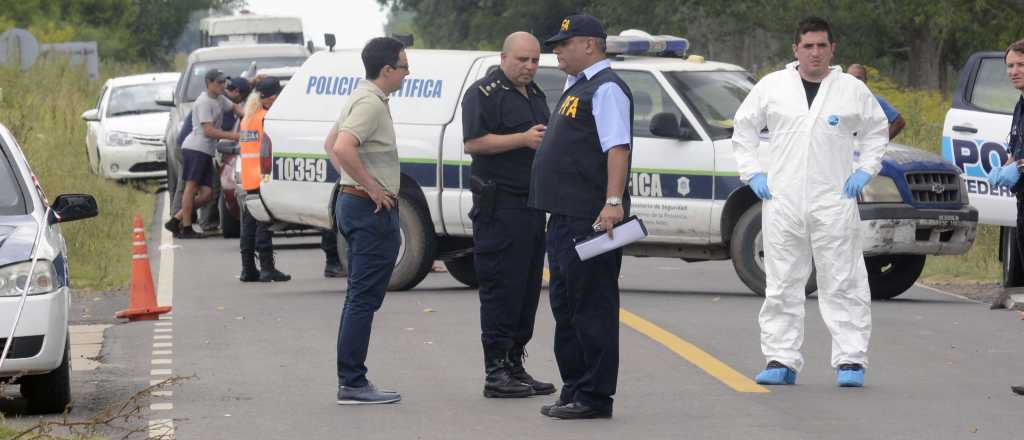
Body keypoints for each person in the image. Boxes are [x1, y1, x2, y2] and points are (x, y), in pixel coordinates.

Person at [731, 16, 889, 388]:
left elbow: (876, 131)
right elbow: (744, 128)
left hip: (833, 198)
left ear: (833, 49)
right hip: (783, 199)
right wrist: (753, 172)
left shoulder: (850, 89)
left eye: (822, 45)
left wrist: (865, 170)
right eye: (808, 46)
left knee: (844, 279)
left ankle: (851, 359)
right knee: (783, 280)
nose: (815, 52)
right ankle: (781, 358)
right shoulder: (773, 86)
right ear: (795, 49)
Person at [529, 15, 632, 419]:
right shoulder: (578, 86)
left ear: (589, 45)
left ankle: (595, 396)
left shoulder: (606, 89)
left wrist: (612, 201)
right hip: (564, 217)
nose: (556, 50)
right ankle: (574, 387)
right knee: (566, 305)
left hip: (591, 220)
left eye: (564, 43)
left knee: (593, 307)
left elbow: (617, 147)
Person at [461, 31, 554, 398]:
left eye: (534, 60)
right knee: (501, 288)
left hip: (531, 206)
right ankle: (495, 372)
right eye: (522, 60)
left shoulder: (535, 95)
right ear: (504, 58)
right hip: (499, 208)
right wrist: (521, 139)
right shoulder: (483, 94)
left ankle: (515, 363)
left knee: (527, 289)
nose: (530, 66)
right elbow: (473, 142)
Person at [323, 37, 409, 405]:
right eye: (404, 67)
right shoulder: (370, 103)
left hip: (354, 204)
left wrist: (353, 183)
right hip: (367, 210)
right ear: (387, 70)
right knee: (362, 299)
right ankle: (353, 382)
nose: (407, 74)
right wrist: (371, 187)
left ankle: (351, 379)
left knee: (357, 297)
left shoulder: (361, 97)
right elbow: (341, 148)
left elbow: (331, 145)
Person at [982, 39, 1024, 396]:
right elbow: (1017, 149)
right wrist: (1008, 165)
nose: (1014, 71)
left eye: (1021, 65)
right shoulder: (1020, 105)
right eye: (1010, 66)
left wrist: (1020, 167)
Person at [165, 69, 241, 238]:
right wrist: (235, 136)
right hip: (195, 149)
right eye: (219, 83)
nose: (223, 86)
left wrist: (249, 117)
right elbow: (208, 131)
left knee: (207, 195)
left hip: (206, 151)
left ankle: (176, 219)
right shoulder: (204, 102)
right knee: (190, 188)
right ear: (209, 83)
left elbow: (234, 106)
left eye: (224, 83)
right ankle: (186, 227)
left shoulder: (219, 99)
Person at [237, 76, 291, 283]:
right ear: (271, 97)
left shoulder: (248, 118)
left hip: (247, 178)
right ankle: (267, 268)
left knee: (249, 227)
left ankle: (248, 269)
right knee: (263, 224)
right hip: (262, 178)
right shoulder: (265, 118)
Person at [847, 64, 906, 140]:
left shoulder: (875, 101)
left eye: (859, 78)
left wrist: (881, 142)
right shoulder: (837, 99)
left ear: (865, 81)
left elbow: (899, 122)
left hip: (865, 149)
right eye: (850, 77)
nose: (855, 81)